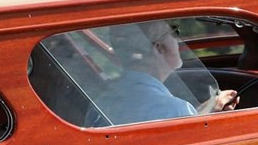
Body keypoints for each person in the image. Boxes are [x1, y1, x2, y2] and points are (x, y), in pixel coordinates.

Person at [92, 21, 238, 126]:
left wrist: (206, 111)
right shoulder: (173, 110)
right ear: (159, 48)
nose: (179, 40)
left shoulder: (102, 102)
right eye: (174, 32)